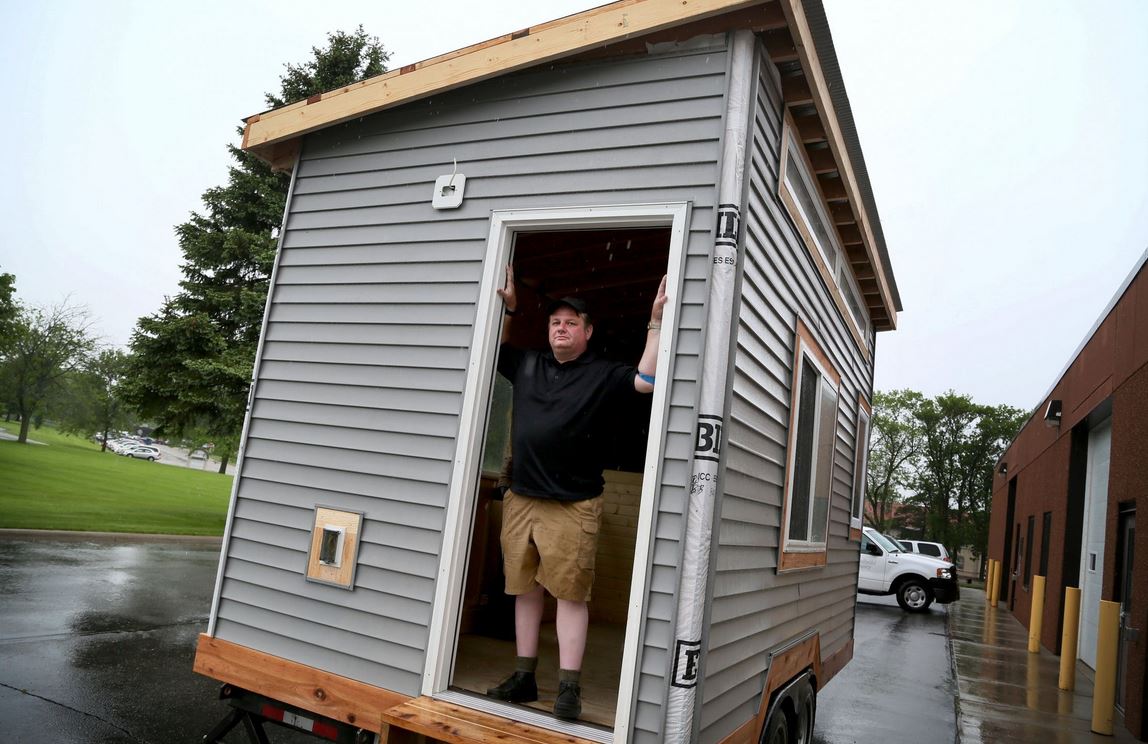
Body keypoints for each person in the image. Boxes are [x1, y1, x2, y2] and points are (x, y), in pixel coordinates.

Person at [486, 264, 667, 721]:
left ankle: (569, 687)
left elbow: (645, 382)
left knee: (570, 595)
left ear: (587, 332)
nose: (560, 329)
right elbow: (490, 349)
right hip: (522, 498)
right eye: (554, 322)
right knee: (524, 590)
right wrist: (509, 310)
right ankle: (524, 678)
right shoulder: (528, 363)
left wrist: (656, 322)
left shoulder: (602, 373)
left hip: (574, 503)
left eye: (570, 323)